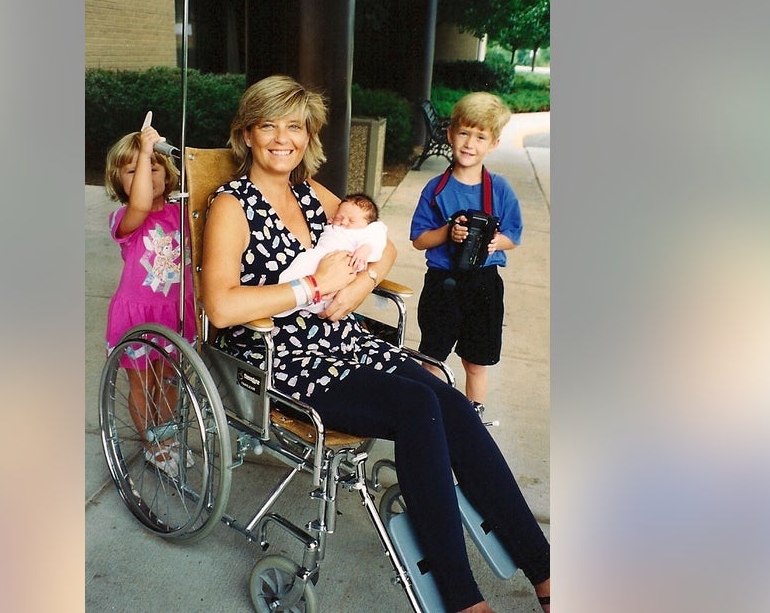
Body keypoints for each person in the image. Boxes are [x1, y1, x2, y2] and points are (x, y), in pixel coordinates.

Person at [202, 75, 549, 613]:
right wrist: (313, 287)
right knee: (417, 406)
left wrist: (361, 284)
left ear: (308, 134)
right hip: (281, 354)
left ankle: (545, 571)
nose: (281, 138)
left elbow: (380, 243)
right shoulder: (233, 205)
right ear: (246, 133)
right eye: (267, 125)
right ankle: (462, 599)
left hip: (340, 338)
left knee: (449, 400)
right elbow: (221, 307)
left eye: (294, 126)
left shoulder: (309, 191)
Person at [409, 92, 524, 407]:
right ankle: (429, 417)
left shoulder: (500, 189)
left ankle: (474, 424)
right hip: (442, 284)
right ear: (450, 134)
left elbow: (514, 235)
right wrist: (447, 233)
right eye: (464, 133)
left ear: (493, 143)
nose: (470, 144)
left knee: (476, 362)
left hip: (484, 284)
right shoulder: (436, 189)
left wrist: (494, 242)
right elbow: (419, 239)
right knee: (431, 360)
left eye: (480, 137)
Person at [102, 126, 197, 477]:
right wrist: (145, 150)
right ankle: (151, 443)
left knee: (169, 379)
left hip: (174, 313)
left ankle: (166, 435)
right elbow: (141, 202)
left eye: (155, 166)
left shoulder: (181, 213)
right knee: (142, 384)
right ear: (120, 181)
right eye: (135, 169)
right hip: (136, 316)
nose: (147, 172)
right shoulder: (126, 219)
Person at [276, 193, 388, 315]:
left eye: (352, 220)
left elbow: (378, 241)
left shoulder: (368, 232)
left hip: (340, 268)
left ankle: (287, 302)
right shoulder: (335, 225)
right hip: (317, 257)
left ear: (368, 225)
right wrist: (332, 224)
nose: (344, 222)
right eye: (340, 217)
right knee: (300, 266)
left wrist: (365, 249)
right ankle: (279, 298)